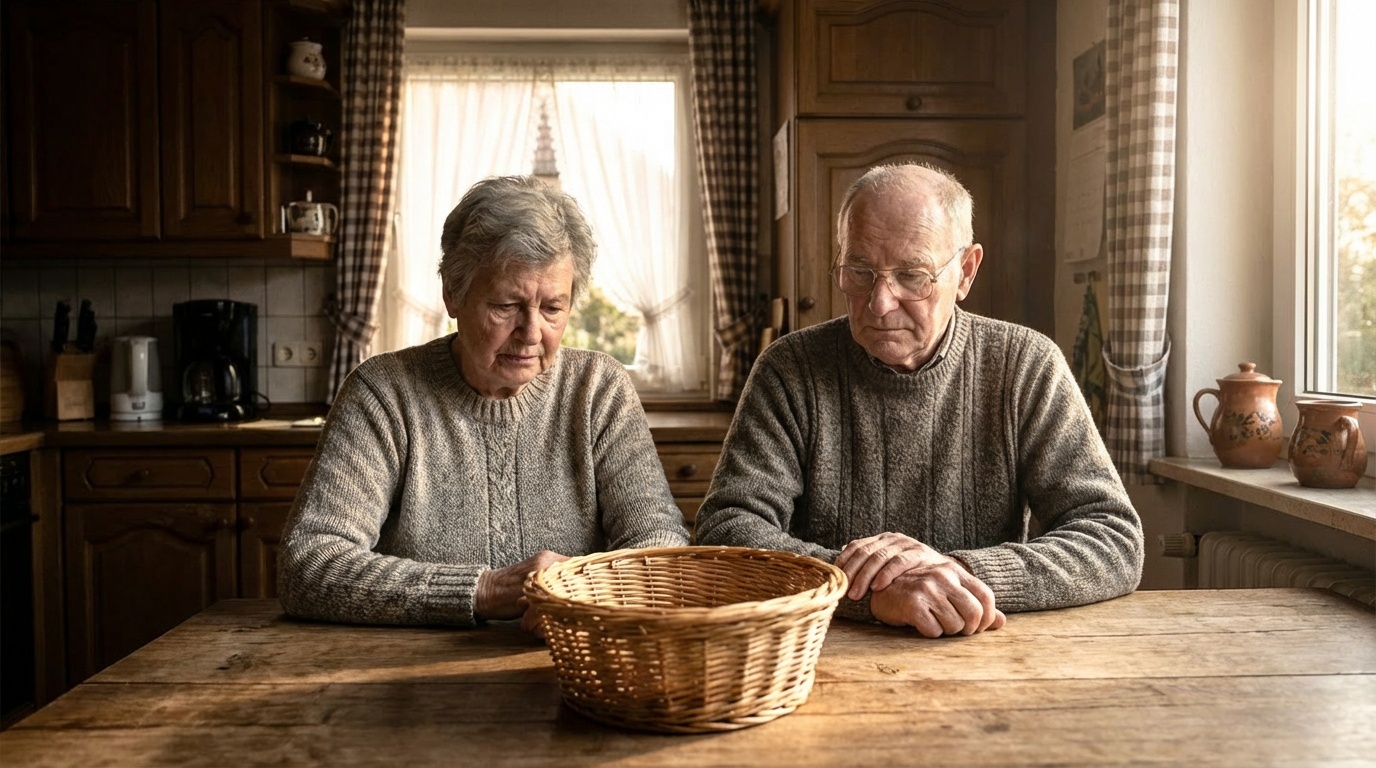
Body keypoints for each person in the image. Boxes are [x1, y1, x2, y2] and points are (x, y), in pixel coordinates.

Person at [694, 163, 1143, 638]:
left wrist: (950, 576)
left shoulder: (1026, 366)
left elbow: (1112, 538)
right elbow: (726, 529)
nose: (880, 302)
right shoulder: (789, 369)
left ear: (966, 271)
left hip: (986, 647)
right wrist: (869, 591)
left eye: (911, 275)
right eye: (860, 272)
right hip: (820, 654)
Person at [279, 175, 689, 630]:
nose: (532, 333)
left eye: (553, 308)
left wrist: (582, 591)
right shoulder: (383, 393)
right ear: (453, 295)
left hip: (567, 663)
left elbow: (659, 543)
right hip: (405, 675)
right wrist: (486, 589)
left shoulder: (598, 389)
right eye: (506, 305)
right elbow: (309, 564)